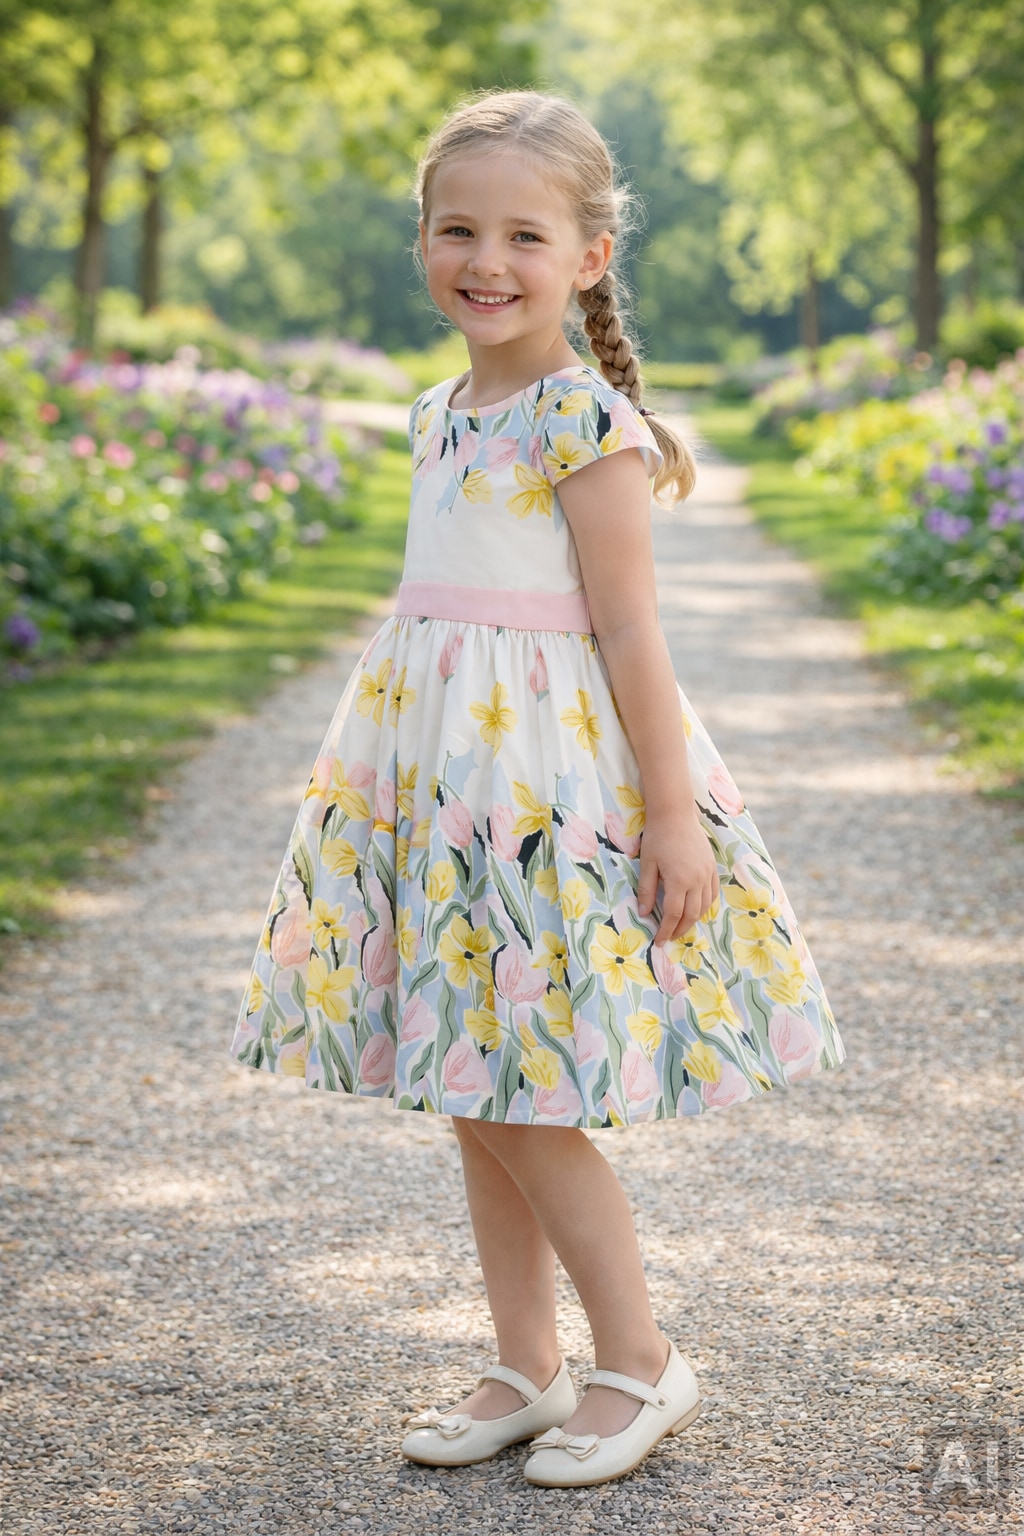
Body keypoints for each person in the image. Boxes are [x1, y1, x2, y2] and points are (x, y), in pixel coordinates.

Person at [228, 89, 846, 1488]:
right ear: (424, 244)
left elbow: (632, 632)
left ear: (588, 256)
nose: (484, 260)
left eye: (522, 233)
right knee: (469, 1070)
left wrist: (673, 815)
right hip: (432, 788)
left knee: (527, 1088)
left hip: (547, 792)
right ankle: (524, 1362)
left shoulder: (580, 419)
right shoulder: (437, 411)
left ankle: (640, 1360)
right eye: (458, 229)